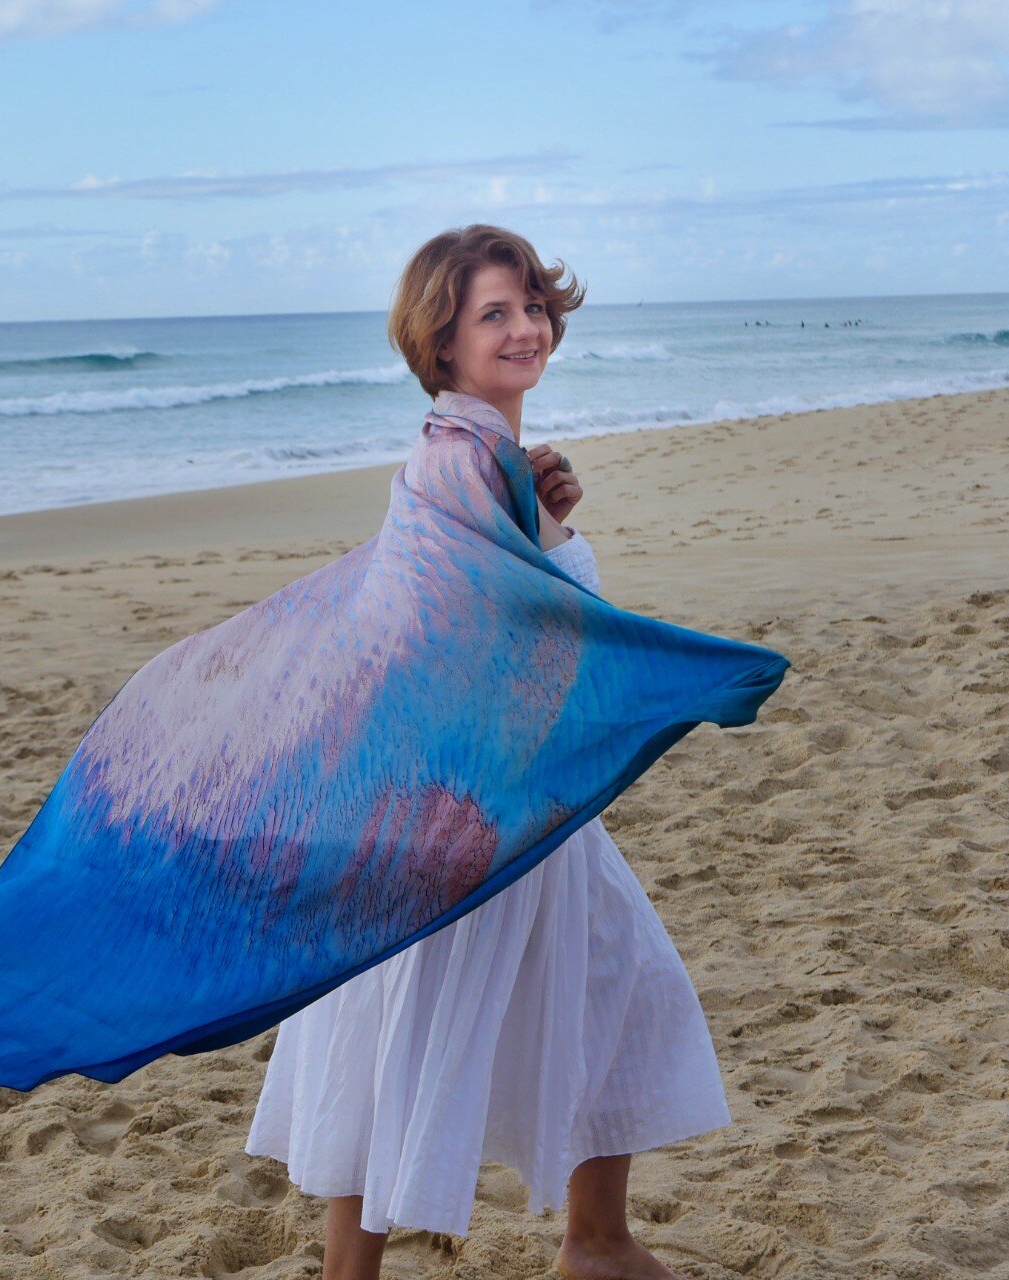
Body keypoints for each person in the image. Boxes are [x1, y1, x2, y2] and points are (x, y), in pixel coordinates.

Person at [243, 226, 729, 1280]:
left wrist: (548, 525)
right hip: (480, 800)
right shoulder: (458, 459)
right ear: (443, 340)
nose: (523, 328)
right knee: (419, 1018)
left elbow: (517, 613)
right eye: (493, 313)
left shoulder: (481, 457)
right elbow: (518, 636)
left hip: (502, 793)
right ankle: (568, 1243)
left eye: (532, 307)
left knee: (604, 985)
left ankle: (594, 1240)